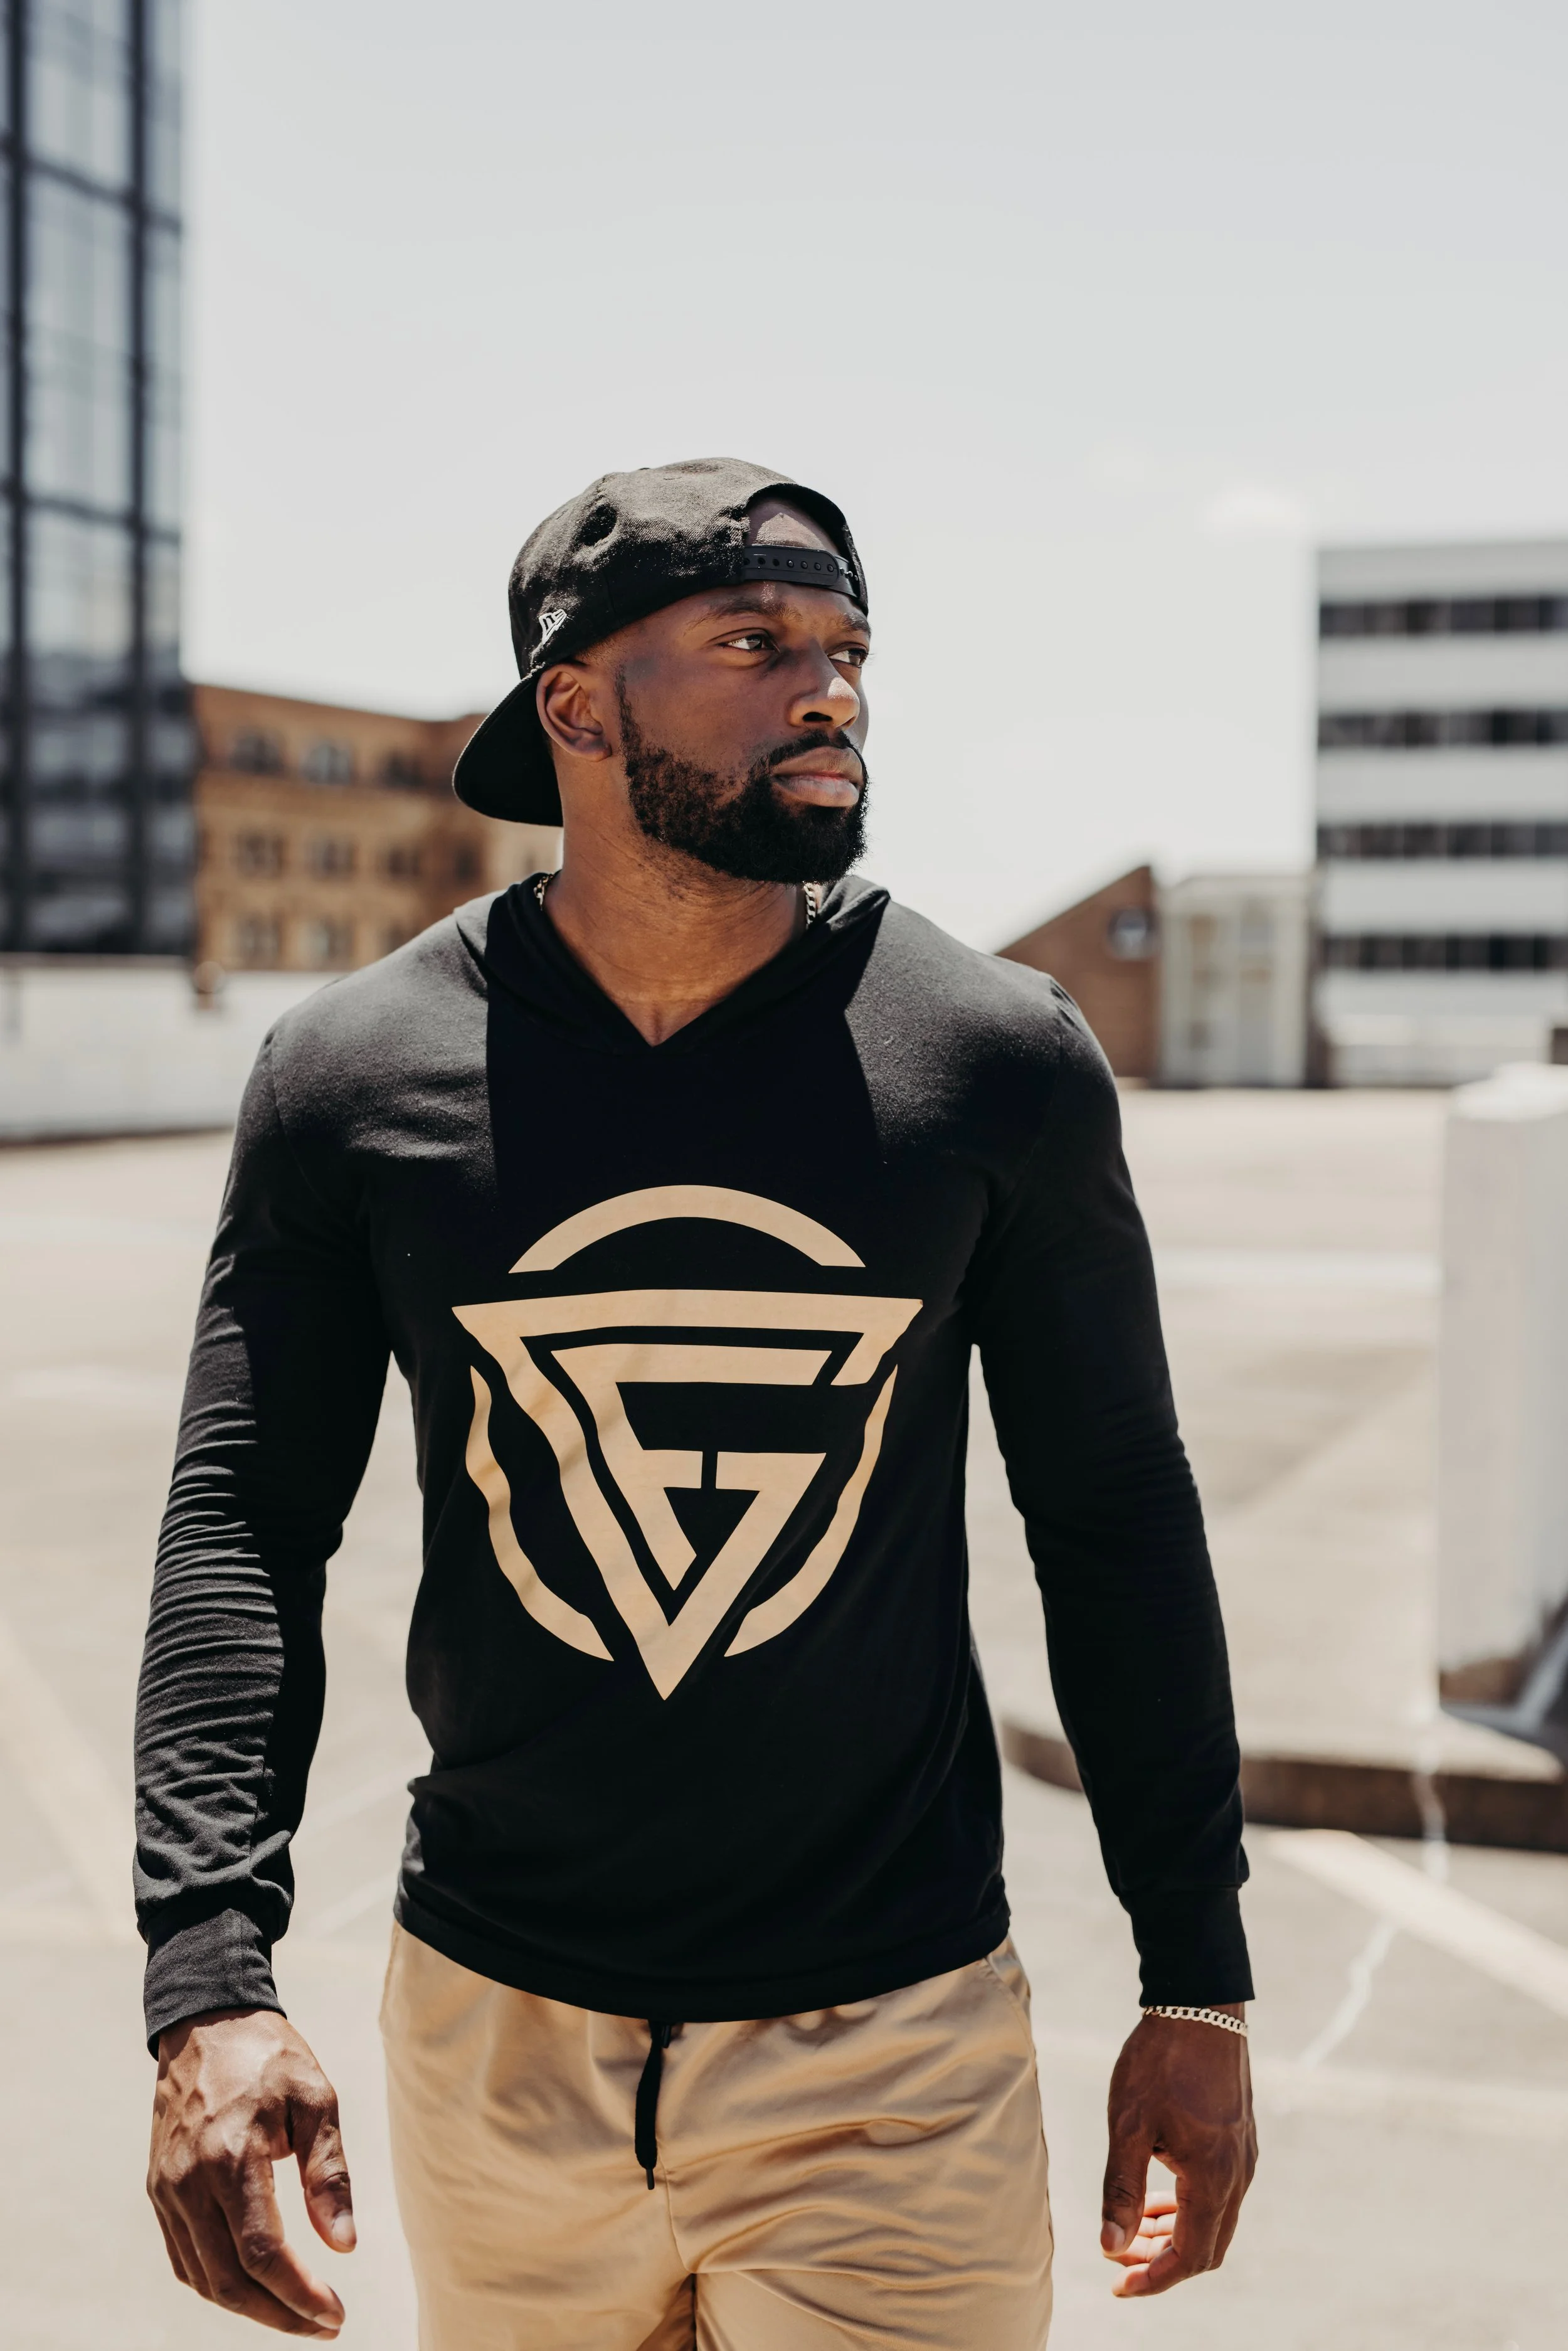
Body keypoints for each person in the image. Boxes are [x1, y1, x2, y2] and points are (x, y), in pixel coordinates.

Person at [136, 457, 1256, 2348]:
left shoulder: (993, 1058)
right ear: (574, 703)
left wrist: (1196, 1979)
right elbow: (247, 1514)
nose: (828, 689)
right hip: (496, 2036)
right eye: (755, 643)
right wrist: (206, 1970)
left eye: (846, 649)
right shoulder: (353, 1073)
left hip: (891, 2040)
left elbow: (1114, 1513)